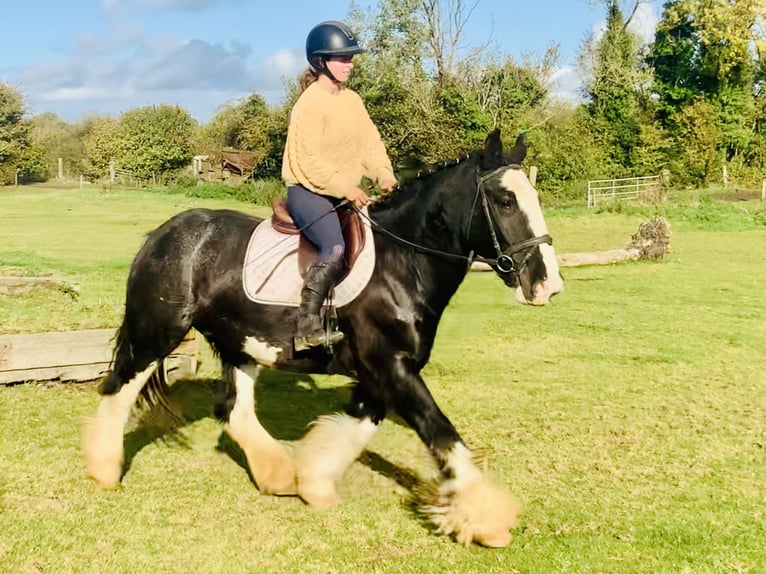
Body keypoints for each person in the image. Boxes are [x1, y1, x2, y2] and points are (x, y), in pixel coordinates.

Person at [282, 20, 397, 351]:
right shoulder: (309, 104)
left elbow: (370, 144)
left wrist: (383, 174)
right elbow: (310, 162)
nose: (350, 64)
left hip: (343, 193)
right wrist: (346, 187)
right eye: (342, 58)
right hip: (308, 191)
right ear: (320, 62)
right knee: (333, 249)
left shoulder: (353, 101)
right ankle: (306, 328)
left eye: (350, 58)